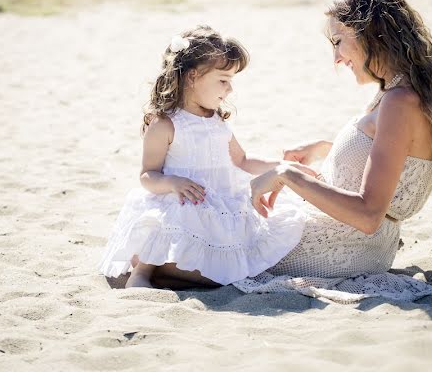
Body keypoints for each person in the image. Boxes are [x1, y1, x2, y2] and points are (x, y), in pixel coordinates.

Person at [235, 0, 432, 302]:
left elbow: (368, 215)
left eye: (338, 41)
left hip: (346, 243)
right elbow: (395, 165)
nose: (336, 58)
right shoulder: (398, 91)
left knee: (205, 240)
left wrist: (286, 174)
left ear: (370, 32)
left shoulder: (401, 102)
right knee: (210, 215)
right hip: (357, 240)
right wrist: (323, 149)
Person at [99, 25, 307, 289]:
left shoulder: (218, 120)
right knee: (169, 212)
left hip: (217, 205)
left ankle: (180, 269)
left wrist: (280, 166)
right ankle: (142, 272)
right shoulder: (166, 124)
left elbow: (242, 160)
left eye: (231, 81)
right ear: (192, 77)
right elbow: (147, 175)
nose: (229, 89)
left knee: (232, 257)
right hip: (185, 201)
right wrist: (172, 182)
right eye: (223, 80)